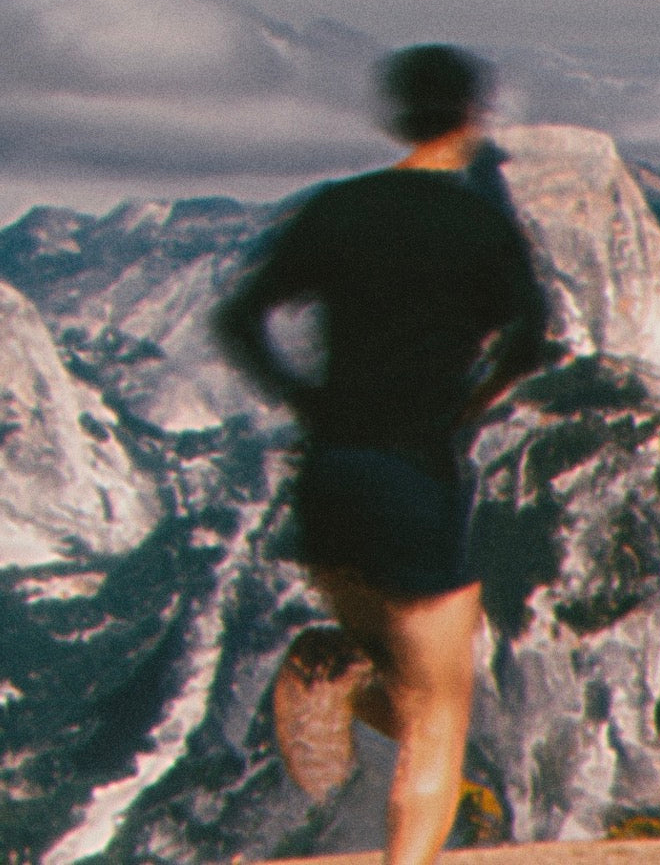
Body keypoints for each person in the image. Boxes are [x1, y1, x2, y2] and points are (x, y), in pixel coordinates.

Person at [213, 44, 549, 865]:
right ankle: (359, 695)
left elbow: (239, 319)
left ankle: (350, 676)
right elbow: (532, 336)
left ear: (396, 116)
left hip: (328, 476)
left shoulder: (339, 208)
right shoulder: (478, 223)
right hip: (416, 476)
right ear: (472, 117)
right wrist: (472, 399)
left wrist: (307, 400)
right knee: (439, 724)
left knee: (409, 685)